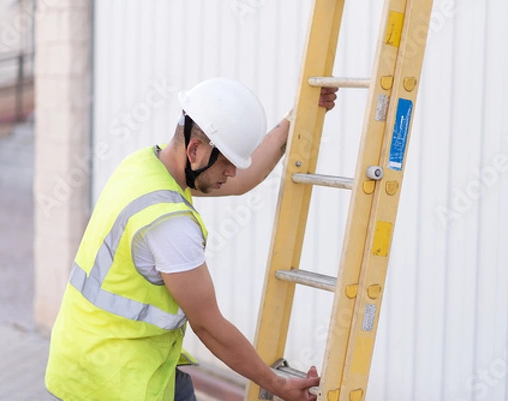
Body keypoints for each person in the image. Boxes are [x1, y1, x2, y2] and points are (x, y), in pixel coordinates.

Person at [45, 77, 338, 401]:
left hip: (87, 358)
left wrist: (296, 118)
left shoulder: (142, 167)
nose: (231, 173)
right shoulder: (170, 225)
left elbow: (243, 179)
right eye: (227, 163)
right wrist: (279, 386)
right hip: (114, 383)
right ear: (195, 150)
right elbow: (209, 327)